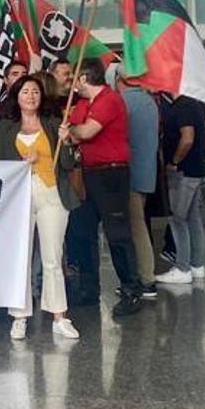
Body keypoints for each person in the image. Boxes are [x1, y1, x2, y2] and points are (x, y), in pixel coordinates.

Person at [0, 76, 81, 341]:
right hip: (19, 198)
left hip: (52, 194)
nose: (30, 96)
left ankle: (59, 316)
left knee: (53, 257)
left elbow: (67, 165)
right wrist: (20, 163)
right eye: (25, 91)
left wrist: (68, 141)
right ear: (17, 96)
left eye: (35, 92)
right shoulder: (6, 128)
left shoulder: (53, 125)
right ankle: (19, 316)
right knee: (21, 258)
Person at [61, 59, 143, 317]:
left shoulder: (109, 100)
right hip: (88, 173)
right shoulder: (85, 103)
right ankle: (89, 288)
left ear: (84, 78)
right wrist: (72, 131)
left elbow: (85, 132)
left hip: (111, 173)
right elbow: (74, 130)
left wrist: (71, 131)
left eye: (75, 79)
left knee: (117, 233)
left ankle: (131, 289)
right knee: (82, 231)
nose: (73, 84)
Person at [155, 94, 205, 285]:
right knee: (192, 217)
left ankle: (183, 267)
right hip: (194, 170)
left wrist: (174, 161)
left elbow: (187, 139)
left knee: (177, 219)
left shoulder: (184, 106)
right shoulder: (192, 104)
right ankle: (197, 265)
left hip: (184, 172)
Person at [117, 70, 159, 298]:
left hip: (129, 174)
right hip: (147, 173)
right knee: (138, 225)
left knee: (136, 227)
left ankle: (146, 279)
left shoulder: (122, 103)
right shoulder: (149, 102)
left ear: (118, 79)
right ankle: (142, 276)